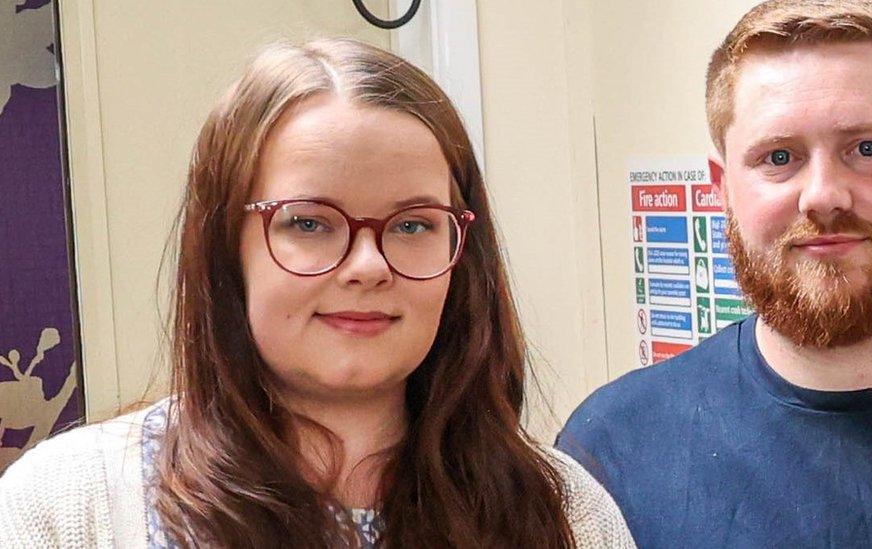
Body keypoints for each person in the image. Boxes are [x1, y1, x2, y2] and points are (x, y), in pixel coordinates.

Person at [0, 39, 635, 548]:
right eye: (308, 223)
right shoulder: (66, 507)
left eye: (413, 225)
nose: (367, 265)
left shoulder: (567, 515)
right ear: (226, 251)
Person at [557, 0, 872, 546]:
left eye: (867, 149)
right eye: (779, 158)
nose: (823, 195)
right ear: (723, 190)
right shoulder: (613, 450)